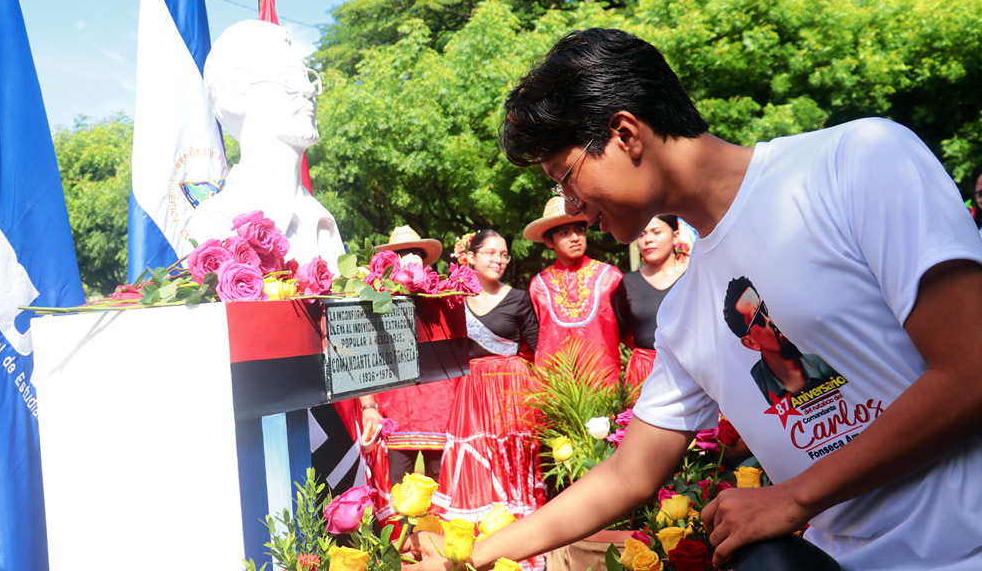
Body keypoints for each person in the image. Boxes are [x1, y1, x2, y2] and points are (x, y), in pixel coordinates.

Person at [405, 28, 982, 571]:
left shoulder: (856, 162)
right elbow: (628, 475)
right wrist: (467, 557)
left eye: (566, 176)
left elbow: (970, 369)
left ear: (625, 134)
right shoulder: (686, 312)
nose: (570, 204)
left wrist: (793, 498)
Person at [190, 20, 344, 269]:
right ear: (235, 95)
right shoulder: (215, 223)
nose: (309, 90)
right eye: (290, 78)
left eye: (308, 77)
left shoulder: (324, 222)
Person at [435, 230, 544, 568]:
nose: (498, 260)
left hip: (512, 393)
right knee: (475, 466)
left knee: (509, 464)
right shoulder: (453, 300)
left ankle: (520, 549)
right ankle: (474, 551)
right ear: (471, 256)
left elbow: (539, 348)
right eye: (491, 253)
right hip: (471, 395)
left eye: (504, 255)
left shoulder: (519, 299)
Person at [358, 226, 451, 489]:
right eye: (401, 254)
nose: (408, 259)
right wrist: (369, 406)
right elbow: (364, 356)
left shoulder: (442, 297)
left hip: (440, 407)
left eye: (414, 254)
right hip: (394, 407)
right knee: (398, 491)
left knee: (442, 487)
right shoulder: (373, 301)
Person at [524, 197, 624, 377]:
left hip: (603, 380)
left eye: (580, 230)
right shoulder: (539, 286)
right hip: (557, 386)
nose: (575, 238)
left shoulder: (610, 277)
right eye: (564, 233)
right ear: (549, 241)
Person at [723, 276, 845, 407]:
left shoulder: (822, 364)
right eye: (758, 318)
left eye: (764, 309)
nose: (770, 320)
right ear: (750, 343)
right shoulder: (754, 390)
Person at [612, 215, 688, 389]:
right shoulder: (628, 282)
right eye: (641, 234)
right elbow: (619, 330)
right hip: (645, 375)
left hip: (691, 370)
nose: (648, 240)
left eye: (656, 232)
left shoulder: (693, 275)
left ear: (675, 236)